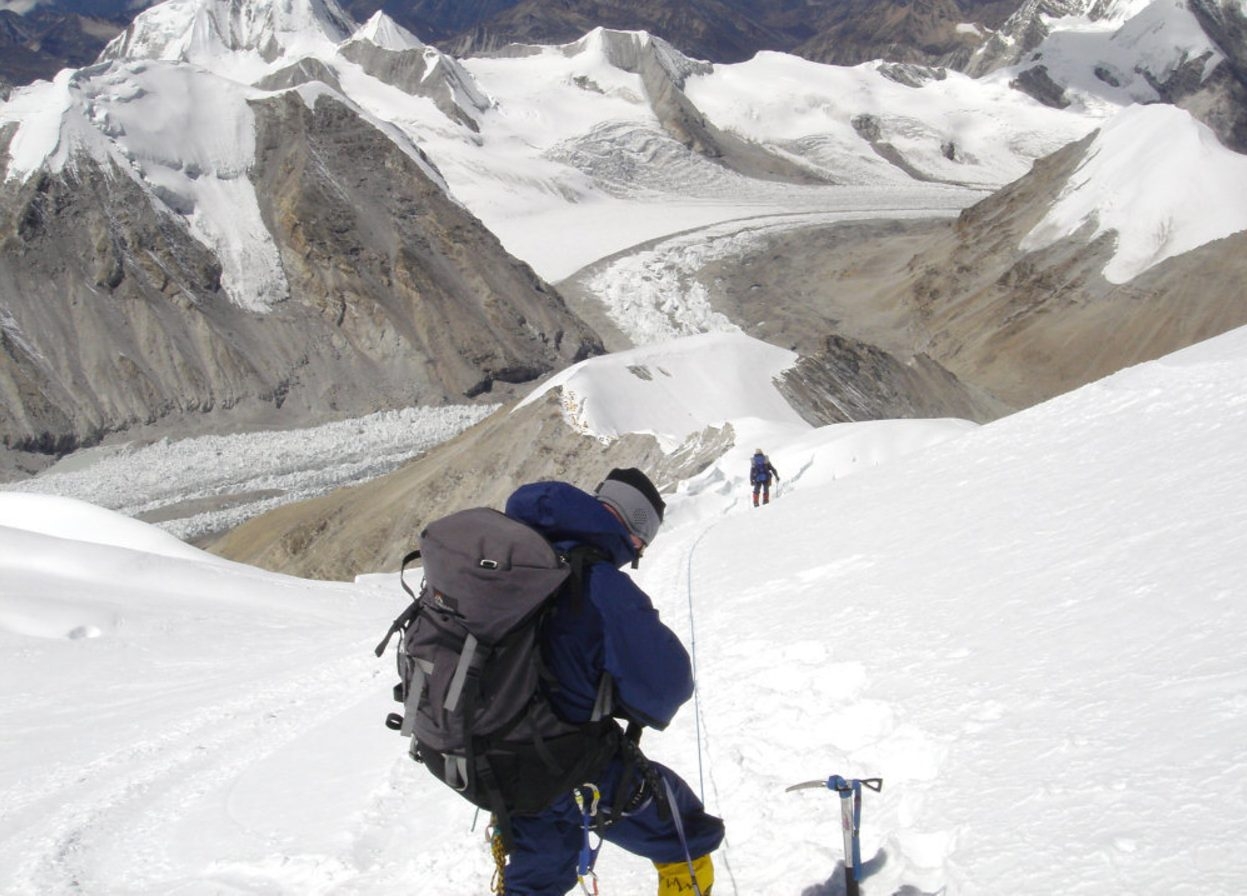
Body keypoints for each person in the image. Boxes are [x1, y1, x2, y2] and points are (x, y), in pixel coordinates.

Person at [502, 467, 724, 896]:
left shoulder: (514, 560)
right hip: (566, 762)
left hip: (492, 758)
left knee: (539, 874)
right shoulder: (597, 581)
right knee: (685, 833)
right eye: (643, 542)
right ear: (636, 531)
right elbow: (667, 686)